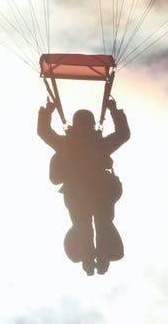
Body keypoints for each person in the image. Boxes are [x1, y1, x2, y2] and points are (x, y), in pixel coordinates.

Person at [37, 97, 130, 275]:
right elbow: (123, 134)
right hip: (95, 192)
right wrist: (114, 111)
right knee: (98, 223)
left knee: (87, 224)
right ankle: (97, 257)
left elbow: (44, 132)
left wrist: (48, 112)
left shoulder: (66, 144)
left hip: (83, 192)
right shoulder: (98, 144)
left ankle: (92, 258)